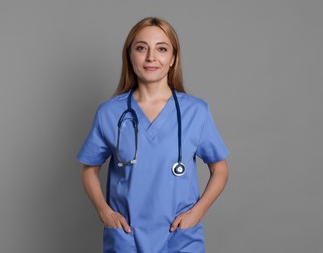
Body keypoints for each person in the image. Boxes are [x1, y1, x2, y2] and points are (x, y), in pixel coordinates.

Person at [77, 17, 230, 253]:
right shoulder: (110, 112)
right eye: (141, 48)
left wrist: (198, 212)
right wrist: (104, 211)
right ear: (129, 56)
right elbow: (89, 168)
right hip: (126, 236)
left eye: (161, 48)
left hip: (180, 237)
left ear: (173, 59)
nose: (151, 57)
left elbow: (220, 169)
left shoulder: (195, 111)